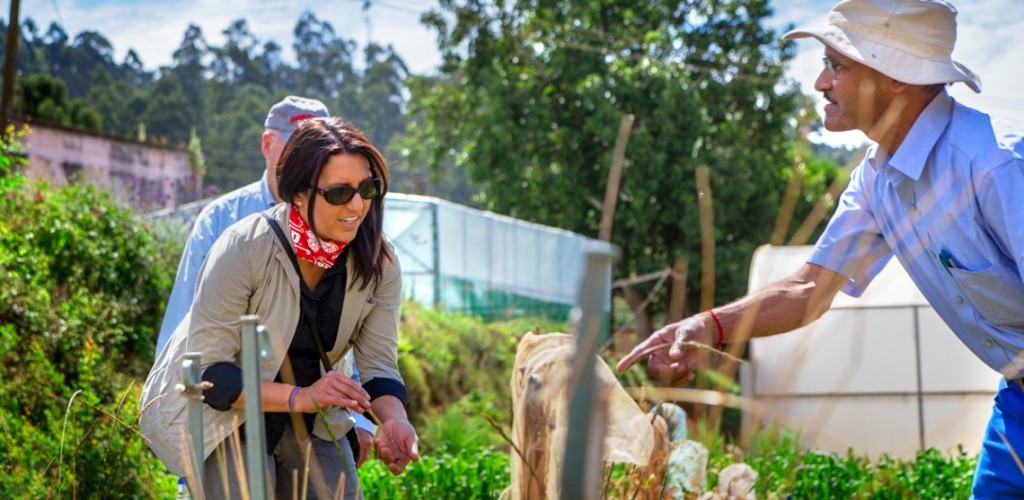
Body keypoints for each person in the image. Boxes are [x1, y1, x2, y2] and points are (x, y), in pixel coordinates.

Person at [616, 0, 1023, 496]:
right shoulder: (877, 179)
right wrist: (708, 326)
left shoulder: (997, 165)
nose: (820, 84)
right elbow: (809, 288)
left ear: (895, 76)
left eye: (838, 65)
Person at [141, 117, 420, 498]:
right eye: (339, 193)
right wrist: (300, 397)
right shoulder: (244, 247)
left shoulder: (377, 262)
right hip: (225, 413)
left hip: (311, 415)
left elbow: (379, 367)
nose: (358, 205)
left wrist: (394, 420)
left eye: (368, 188)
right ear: (299, 196)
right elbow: (205, 373)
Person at [155, 95, 376, 466]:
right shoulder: (223, 221)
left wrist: (358, 416)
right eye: (294, 146)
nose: (305, 163)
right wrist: (183, 426)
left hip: (312, 420)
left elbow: (344, 329)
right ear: (267, 145)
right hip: (227, 414)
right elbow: (186, 332)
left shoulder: (348, 221)